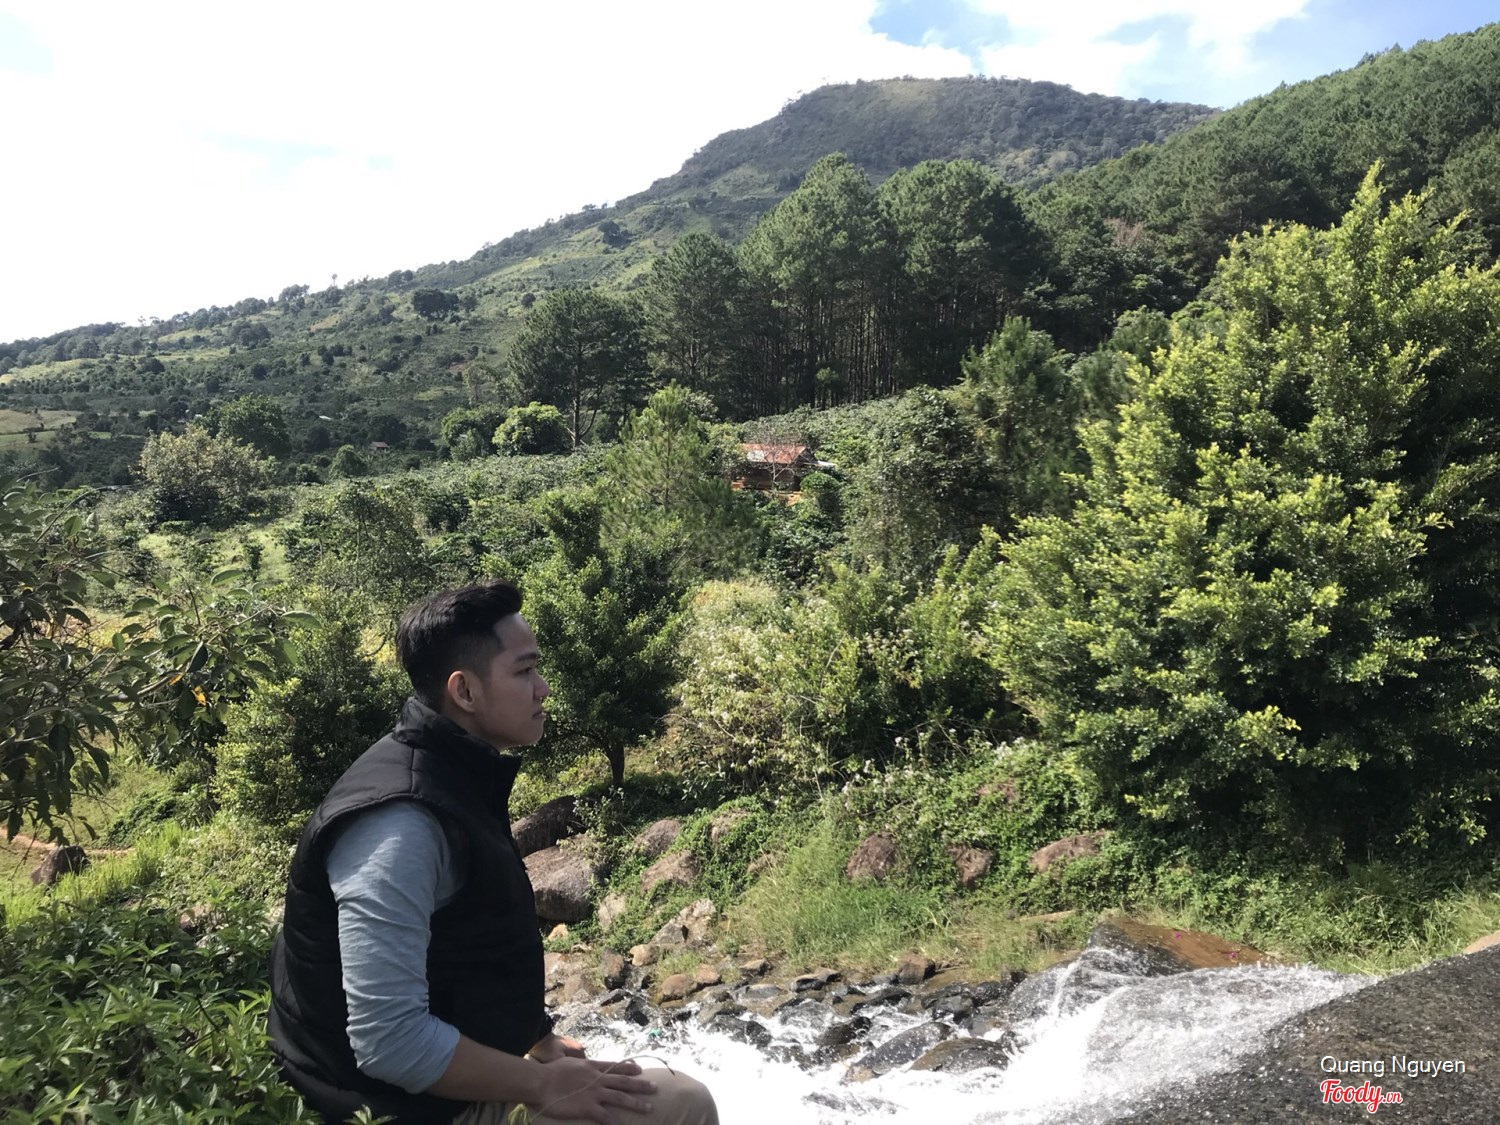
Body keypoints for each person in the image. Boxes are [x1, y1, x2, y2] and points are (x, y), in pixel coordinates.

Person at [268, 579, 719, 1125]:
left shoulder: (452, 771)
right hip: (389, 1107)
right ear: (465, 692)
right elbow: (389, 1040)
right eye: (525, 671)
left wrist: (537, 1038)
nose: (543, 689)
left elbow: (468, 941)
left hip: (416, 1090)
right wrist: (541, 1083)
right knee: (682, 1103)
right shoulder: (399, 824)